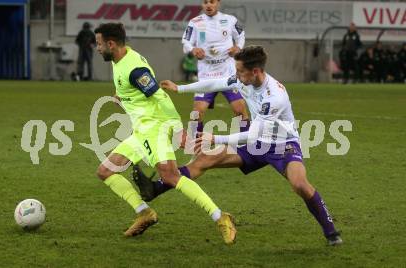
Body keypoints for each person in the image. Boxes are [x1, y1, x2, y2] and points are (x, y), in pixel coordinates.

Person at [134, 45, 343, 246]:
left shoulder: (274, 97)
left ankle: (331, 231)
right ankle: (155, 189)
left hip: (282, 145)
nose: (237, 74)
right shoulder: (244, 79)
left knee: (299, 184)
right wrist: (180, 88)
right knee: (204, 160)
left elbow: (252, 135)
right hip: (255, 143)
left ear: (255, 71)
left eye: (240, 71)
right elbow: (214, 84)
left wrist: (215, 139)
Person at [93, 23, 236, 244]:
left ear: (111, 44)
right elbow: (136, 89)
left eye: (99, 44)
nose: (97, 48)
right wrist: (124, 94)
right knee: (105, 171)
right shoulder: (120, 60)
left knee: (170, 176)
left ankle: (221, 217)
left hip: (155, 128)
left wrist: (179, 131)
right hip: (142, 131)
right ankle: (144, 213)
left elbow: (159, 96)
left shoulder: (133, 68)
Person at [182, 0, 249, 134]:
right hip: (206, 75)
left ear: (218, 3)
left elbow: (241, 35)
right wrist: (193, 49)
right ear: (202, 4)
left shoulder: (230, 20)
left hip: (228, 74)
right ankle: (198, 148)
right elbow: (186, 41)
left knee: (240, 111)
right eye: (205, 2)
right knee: (196, 114)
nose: (208, 5)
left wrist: (238, 47)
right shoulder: (195, 22)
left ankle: (246, 147)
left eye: (212, 1)